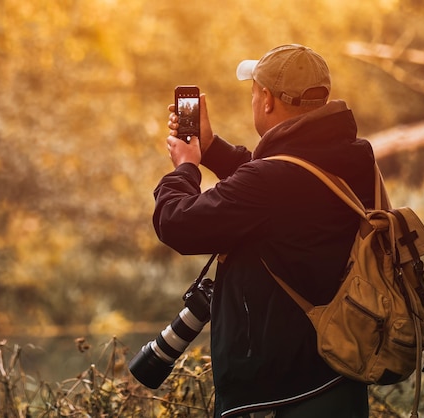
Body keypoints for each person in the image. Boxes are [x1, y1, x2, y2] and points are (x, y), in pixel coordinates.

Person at [153, 44, 374, 417]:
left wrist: (186, 169)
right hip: (340, 376)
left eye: (254, 92)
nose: (254, 100)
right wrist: (211, 149)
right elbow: (281, 181)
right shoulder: (355, 157)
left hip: (280, 393)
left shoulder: (271, 182)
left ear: (267, 100)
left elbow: (177, 223)